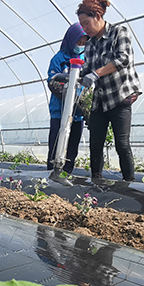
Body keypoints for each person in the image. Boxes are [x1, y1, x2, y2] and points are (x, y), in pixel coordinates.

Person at [77, 0, 141, 182]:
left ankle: (130, 184)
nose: (84, 29)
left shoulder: (118, 32)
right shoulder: (89, 44)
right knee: (95, 144)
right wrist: (73, 76)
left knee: (122, 144)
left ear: (97, 16)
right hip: (100, 100)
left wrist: (96, 73)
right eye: (82, 25)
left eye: (86, 23)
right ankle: (96, 182)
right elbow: (87, 69)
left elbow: (123, 59)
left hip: (120, 96)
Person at [46, 23, 87, 174]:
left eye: (83, 43)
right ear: (71, 39)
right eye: (78, 42)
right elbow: (52, 81)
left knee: (72, 147)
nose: (80, 46)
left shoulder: (84, 59)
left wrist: (81, 101)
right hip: (59, 111)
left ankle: (67, 173)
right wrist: (68, 91)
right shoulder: (58, 59)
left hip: (77, 113)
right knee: (56, 144)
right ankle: (52, 174)